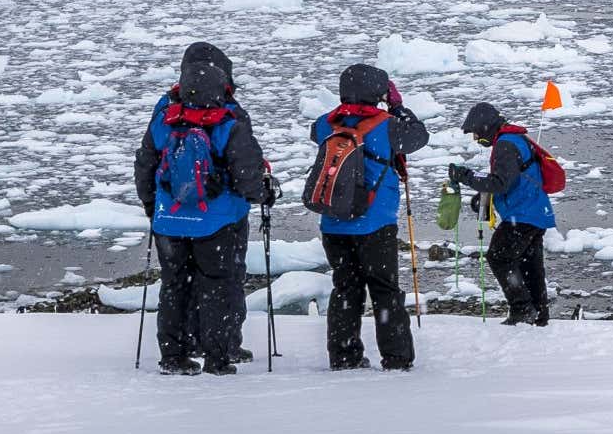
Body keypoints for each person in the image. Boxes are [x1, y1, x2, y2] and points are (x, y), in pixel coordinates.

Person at [135, 47, 277, 374]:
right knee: (218, 286)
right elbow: (247, 175)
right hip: (218, 221)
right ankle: (218, 357)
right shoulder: (229, 121)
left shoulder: (165, 117)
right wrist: (260, 195)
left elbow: (145, 164)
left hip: (169, 220)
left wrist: (150, 206)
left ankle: (174, 355)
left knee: (174, 286)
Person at [307, 64, 429, 370]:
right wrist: (398, 105)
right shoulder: (387, 125)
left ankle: (343, 355)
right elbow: (419, 137)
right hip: (375, 223)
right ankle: (397, 357)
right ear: (379, 92)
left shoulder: (327, 123)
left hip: (333, 222)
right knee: (384, 290)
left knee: (345, 288)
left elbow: (314, 131)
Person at [446, 102, 559, 327]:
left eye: (477, 133)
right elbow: (510, 179)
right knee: (530, 264)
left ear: (486, 127)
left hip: (523, 214)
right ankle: (538, 313)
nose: (477, 139)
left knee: (499, 257)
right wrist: (484, 196)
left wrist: (466, 177)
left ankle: (522, 309)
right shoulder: (514, 139)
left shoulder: (505, 144)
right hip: (536, 212)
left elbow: (501, 183)